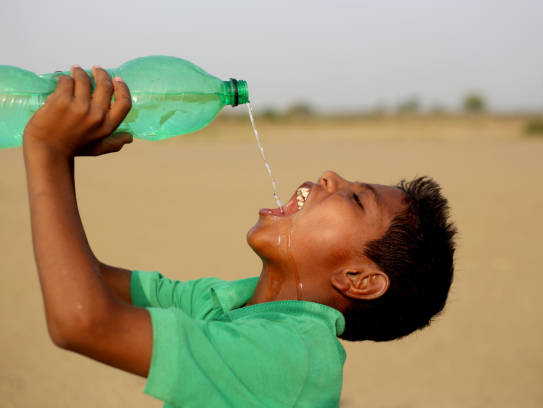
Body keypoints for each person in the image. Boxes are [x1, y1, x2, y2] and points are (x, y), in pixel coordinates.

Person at [22, 66, 456, 408]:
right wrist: (64, 155)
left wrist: (48, 152)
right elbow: (82, 277)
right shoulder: (231, 302)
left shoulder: (295, 356)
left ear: (359, 278)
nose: (330, 175)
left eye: (358, 200)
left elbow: (83, 322)